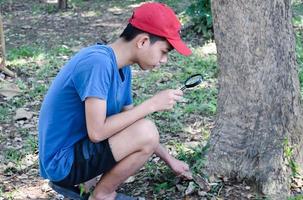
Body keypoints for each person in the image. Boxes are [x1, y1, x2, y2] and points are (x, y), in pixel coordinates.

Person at [38, 2, 193, 200]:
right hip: (62, 163)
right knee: (147, 129)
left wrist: (169, 159)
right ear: (143, 41)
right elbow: (97, 132)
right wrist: (152, 104)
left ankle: (94, 187)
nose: (164, 61)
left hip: (77, 153)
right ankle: (102, 195)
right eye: (164, 52)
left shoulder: (123, 69)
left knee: (144, 129)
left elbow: (132, 123)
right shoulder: (98, 63)